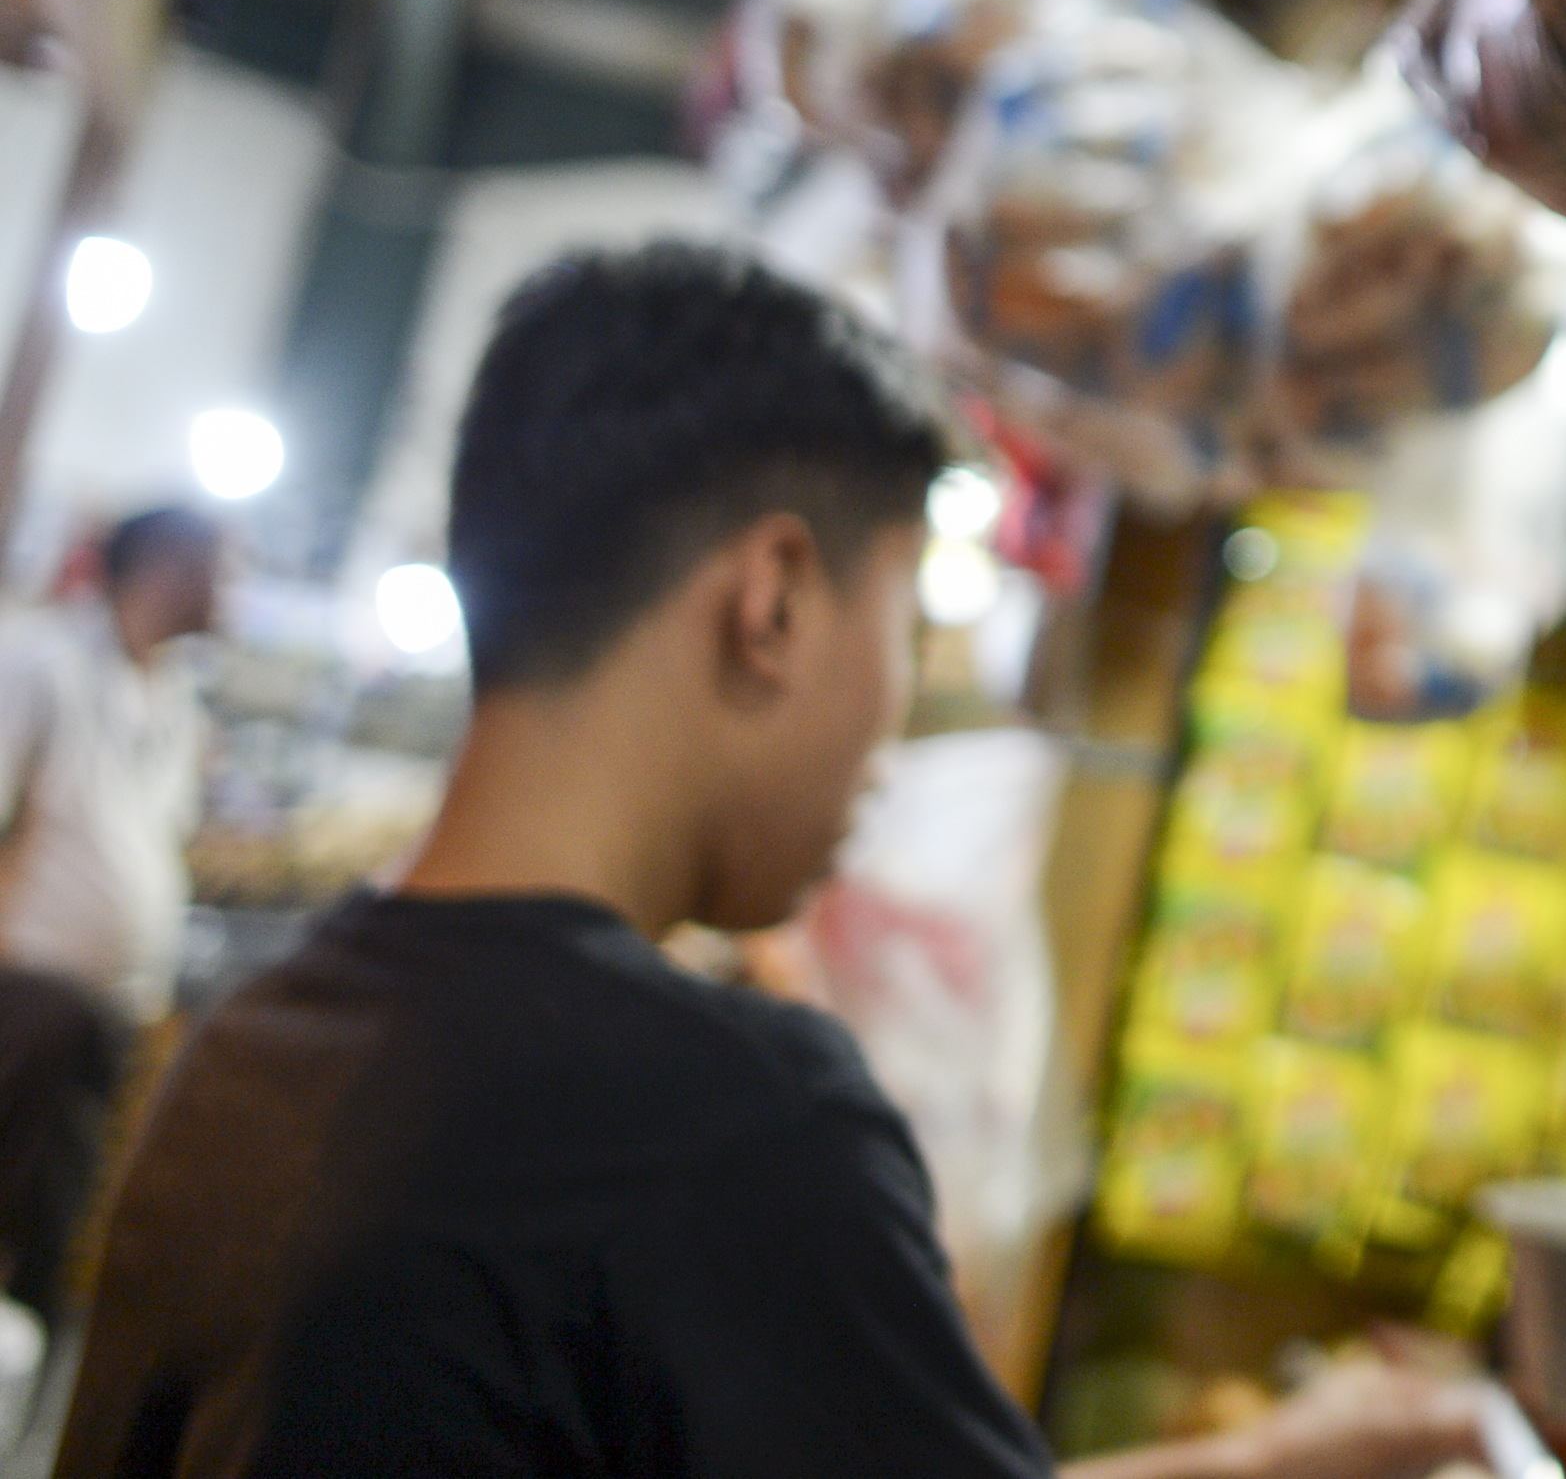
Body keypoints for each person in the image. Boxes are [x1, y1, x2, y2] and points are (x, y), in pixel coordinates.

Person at [58, 245, 1489, 1479]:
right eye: (907, 613)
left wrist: (1267, 1456)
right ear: (775, 599)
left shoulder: (252, 1045)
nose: (902, 700)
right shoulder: (723, 1114)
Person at [0, 504, 222, 1337]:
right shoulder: (44, 664)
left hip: (110, 1010)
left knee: (58, 1240)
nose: (233, 587)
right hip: (28, 999)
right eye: (220, 565)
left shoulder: (176, 696)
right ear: (165, 565)